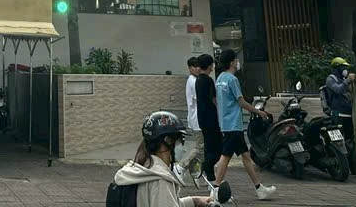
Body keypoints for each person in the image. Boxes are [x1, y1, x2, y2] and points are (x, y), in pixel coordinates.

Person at [113, 111, 218, 207]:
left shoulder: (137, 169)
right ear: (168, 141)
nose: (184, 148)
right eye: (181, 141)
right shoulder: (161, 180)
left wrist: (194, 201)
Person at [213, 49, 276, 200]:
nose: (237, 62)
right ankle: (215, 189)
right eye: (235, 60)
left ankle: (259, 188)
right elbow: (241, 102)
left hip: (226, 123)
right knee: (226, 156)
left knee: (246, 156)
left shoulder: (220, 79)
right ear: (231, 62)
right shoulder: (232, 80)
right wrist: (259, 112)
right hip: (233, 124)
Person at [193, 54, 223, 182]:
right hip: (211, 117)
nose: (213, 67)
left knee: (208, 146)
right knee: (218, 147)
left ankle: (209, 175)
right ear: (210, 65)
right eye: (212, 65)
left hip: (202, 117)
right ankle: (206, 166)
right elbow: (214, 99)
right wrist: (221, 114)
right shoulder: (208, 80)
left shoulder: (198, 80)